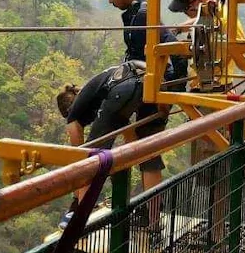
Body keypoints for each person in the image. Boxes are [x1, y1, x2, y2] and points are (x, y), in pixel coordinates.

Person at [55, 60, 165, 228]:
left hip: (124, 87)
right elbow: (131, 138)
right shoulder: (99, 94)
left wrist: (76, 198)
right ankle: (153, 220)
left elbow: (80, 159)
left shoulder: (73, 116)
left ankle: (80, 220)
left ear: (67, 111)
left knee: (90, 161)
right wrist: (129, 159)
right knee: (148, 153)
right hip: (146, 81)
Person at [167, 0, 245, 93]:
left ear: (200, 2)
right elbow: (197, 20)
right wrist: (177, 29)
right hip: (199, 88)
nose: (185, 14)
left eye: (186, 9)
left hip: (216, 90)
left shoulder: (227, 21)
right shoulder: (207, 15)